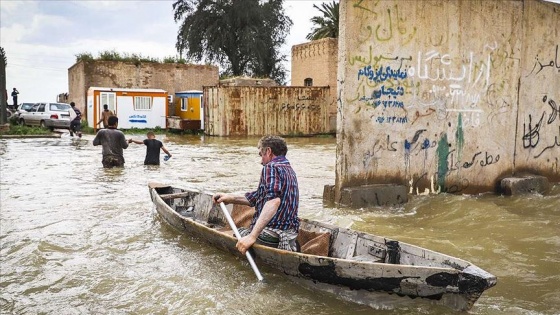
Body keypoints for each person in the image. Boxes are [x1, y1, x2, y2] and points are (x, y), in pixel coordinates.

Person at [213, 135, 300, 255]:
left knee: (239, 233)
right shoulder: (289, 170)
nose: (261, 161)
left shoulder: (271, 167)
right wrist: (231, 198)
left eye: (261, 154)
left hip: (273, 235)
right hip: (291, 235)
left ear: (268, 151)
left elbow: (273, 201)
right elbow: (259, 196)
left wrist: (252, 236)